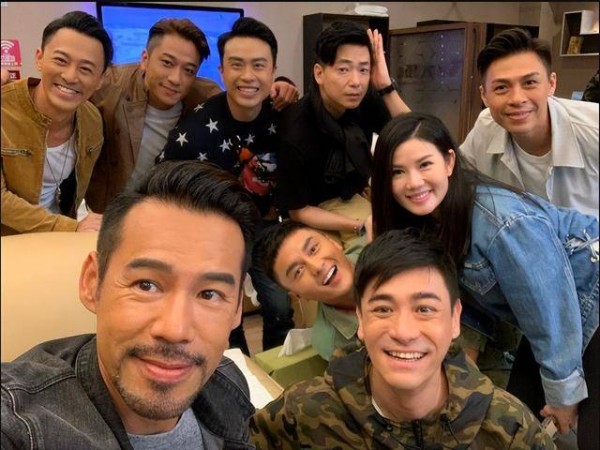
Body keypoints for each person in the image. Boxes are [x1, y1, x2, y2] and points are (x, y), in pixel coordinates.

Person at [369, 112, 599, 449]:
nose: (413, 182)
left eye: (424, 165)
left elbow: (550, 308)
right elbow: (466, 299)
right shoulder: (428, 222)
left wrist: (564, 394)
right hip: (556, 314)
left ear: (449, 162)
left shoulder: (501, 221)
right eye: (397, 172)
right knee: (517, 417)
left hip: (587, 297)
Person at [1, 160, 260, 449]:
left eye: (209, 294)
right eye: (146, 285)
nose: (175, 330)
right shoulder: (17, 421)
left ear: (237, 308)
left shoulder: (227, 381)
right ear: (92, 282)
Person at [250, 229, 555, 449]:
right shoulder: (301, 415)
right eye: (383, 309)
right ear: (360, 320)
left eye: (424, 309)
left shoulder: (509, 428)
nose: (404, 332)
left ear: (454, 319)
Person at [157, 17, 295, 353]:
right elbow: (162, 189)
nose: (248, 76)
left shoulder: (286, 115)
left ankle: (276, 370)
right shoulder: (194, 131)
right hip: (214, 233)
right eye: (236, 65)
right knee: (224, 312)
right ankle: (234, 367)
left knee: (280, 306)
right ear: (221, 71)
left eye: (258, 65)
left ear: (273, 71)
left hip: (265, 227)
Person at [84, 17, 298, 213]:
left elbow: (242, 94)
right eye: (167, 63)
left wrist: (282, 86)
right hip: (110, 210)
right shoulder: (108, 86)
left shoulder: (205, 94)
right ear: (145, 59)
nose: (175, 79)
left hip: (167, 209)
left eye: (189, 70)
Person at [275, 21, 410, 249]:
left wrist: (385, 86)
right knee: (373, 249)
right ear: (319, 73)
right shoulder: (296, 128)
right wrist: (358, 225)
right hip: (314, 211)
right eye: (343, 69)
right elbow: (298, 210)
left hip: (355, 194)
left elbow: (413, 134)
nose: (356, 82)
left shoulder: (365, 100)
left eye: (363, 69)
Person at [460, 28, 598, 219]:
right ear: (484, 95)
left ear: (551, 84)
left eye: (530, 83)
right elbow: (455, 181)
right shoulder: (485, 127)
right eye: (501, 87)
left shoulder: (593, 128)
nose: (517, 99)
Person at [1, 11, 112, 235]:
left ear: (101, 79)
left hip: (61, 239)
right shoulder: (4, 109)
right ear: (39, 58)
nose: (70, 76)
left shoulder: (92, 120)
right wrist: (69, 227)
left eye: (86, 69)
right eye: (61, 60)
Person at [261, 220, 365, 361]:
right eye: (298, 271)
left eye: (313, 249)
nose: (316, 267)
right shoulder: (330, 343)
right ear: (297, 294)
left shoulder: (377, 239)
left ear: (333, 242)